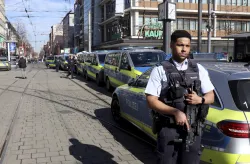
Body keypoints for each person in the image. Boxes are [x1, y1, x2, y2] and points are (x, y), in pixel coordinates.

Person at [145, 30, 215, 164]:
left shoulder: (199, 69)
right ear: (171, 45)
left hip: (193, 130)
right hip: (168, 130)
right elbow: (151, 100)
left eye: (187, 46)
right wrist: (175, 112)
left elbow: (211, 96)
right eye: (180, 45)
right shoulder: (160, 70)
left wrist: (200, 100)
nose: (184, 49)